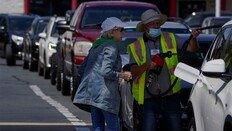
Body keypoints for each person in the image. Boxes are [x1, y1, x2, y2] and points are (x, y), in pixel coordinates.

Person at [127, 9, 201, 131]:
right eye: (152, 24)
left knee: (175, 128)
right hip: (148, 98)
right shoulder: (136, 46)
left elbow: (192, 49)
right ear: (145, 27)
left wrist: (193, 37)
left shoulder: (170, 38)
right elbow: (133, 72)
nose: (156, 26)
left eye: (157, 23)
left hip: (171, 95)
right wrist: (147, 65)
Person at [73, 17, 132, 131]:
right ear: (111, 32)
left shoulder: (97, 45)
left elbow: (82, 69)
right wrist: (122, 75)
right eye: (120, 30)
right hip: (106, 94)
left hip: (92, 93)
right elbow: (106, 71)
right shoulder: (111, 46)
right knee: (113, 126)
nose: (123, 33)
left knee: (98, 126)